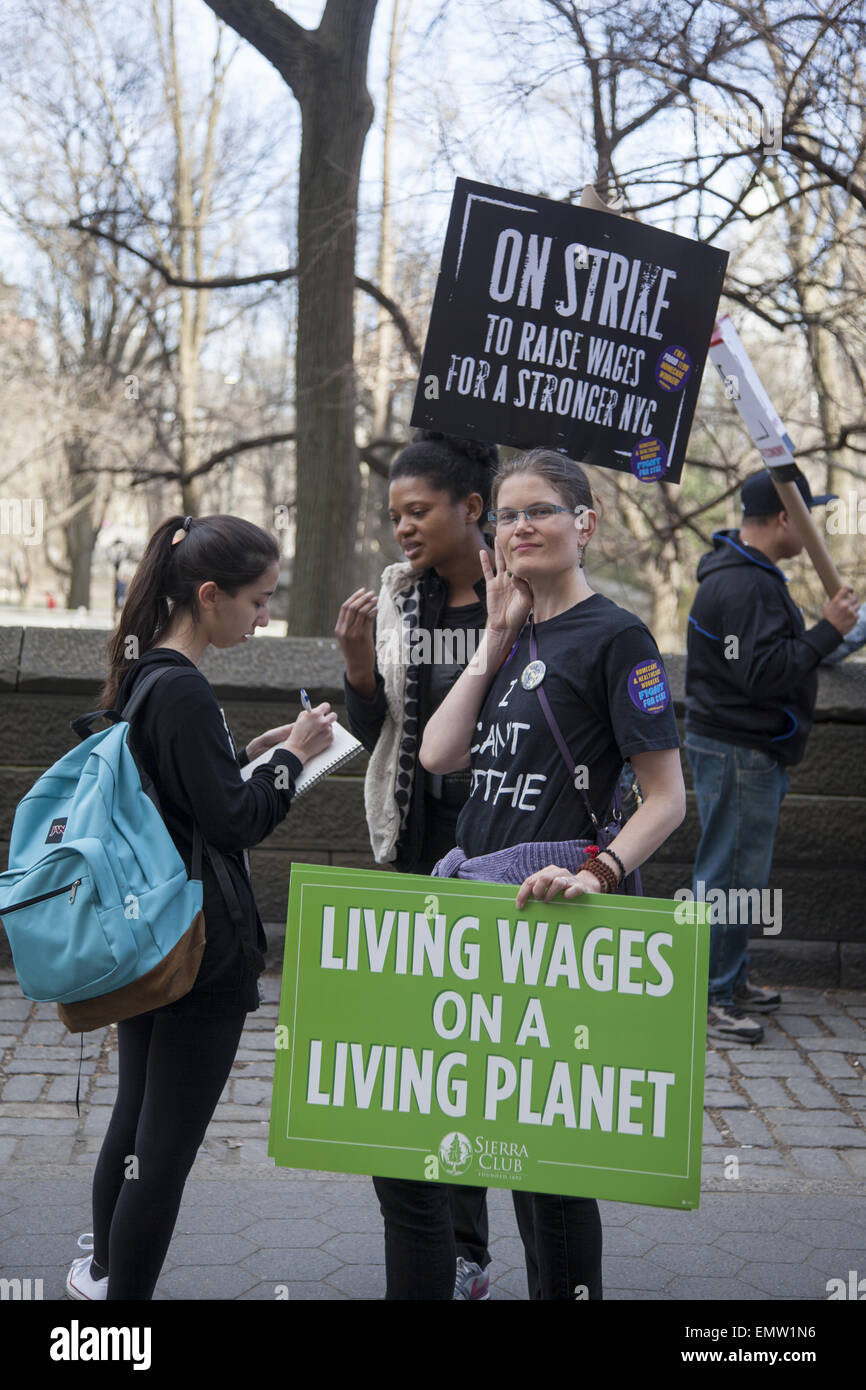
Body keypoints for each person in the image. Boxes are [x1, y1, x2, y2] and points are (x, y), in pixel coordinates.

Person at [416, 446, 685, 1301]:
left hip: (561, 919)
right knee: (485, 1122)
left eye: (541, 511)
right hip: (488, 915)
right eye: (507, 514)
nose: (521, 526)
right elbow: (439, 752)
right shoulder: (515, 632)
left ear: (586, 525)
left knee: (550, 1164)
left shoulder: (619, 636)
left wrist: (598, 877)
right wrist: (494, 640)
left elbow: (667, 798)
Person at [66, 514, 335, 1301]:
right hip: (199, 948)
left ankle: (104, 1278)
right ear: (209, 595)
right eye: (257, 601)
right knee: (165, 1150)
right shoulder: (181, 686)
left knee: (136, 1121)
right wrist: (292, 760)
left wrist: (250, 755)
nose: (264, 617)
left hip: (151, 934)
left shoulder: (148, 672)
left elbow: (177, 795)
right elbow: (235, 822)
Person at [335, 430, 497, 1300]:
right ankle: (452, 1248)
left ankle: (496, 1246)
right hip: (419, 854)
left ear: (473, 509)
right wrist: (359, 666)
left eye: (419, 511)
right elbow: (379, 733)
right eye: (395, 514)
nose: (402, 528)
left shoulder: (529, 597)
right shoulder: (403, 599)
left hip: (507, 857)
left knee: (494, 1055)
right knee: (435, 1055)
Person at [684, 471, 860, 1045]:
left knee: (742, 875)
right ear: (787, 519)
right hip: (738, 748)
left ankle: (730, 980)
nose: (814, 527)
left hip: (743, 747)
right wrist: (828, 631)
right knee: (729, 877)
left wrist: (829, 636)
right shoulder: (744, 585)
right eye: (810, 514)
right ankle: (709, 996)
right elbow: (761, 674)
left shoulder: (749, 575)